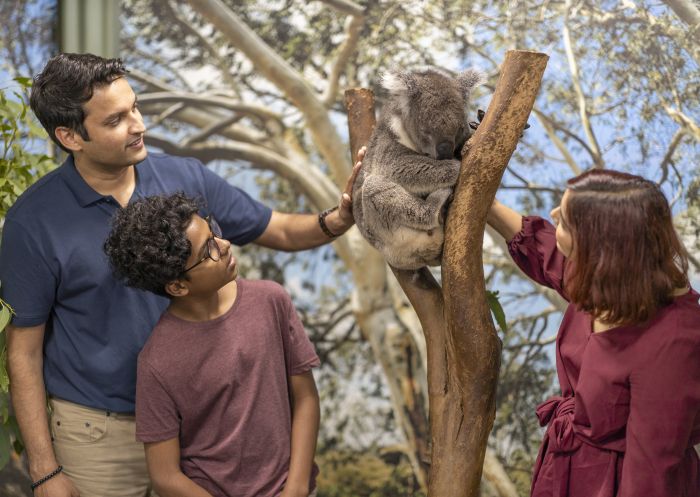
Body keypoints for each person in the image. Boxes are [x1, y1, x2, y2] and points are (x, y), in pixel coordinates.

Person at [0, 53, 359, 497]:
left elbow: (278, 228)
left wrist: (338, 220)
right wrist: (46, 471)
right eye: (116, 120)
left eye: (134, 107)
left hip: (208, 425)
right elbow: (24, 352)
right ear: (70, 136)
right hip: (103, 435)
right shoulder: (32, 223)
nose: (138, 125)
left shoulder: (184, 177)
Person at [487, 169, 700, 497]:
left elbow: (651, 472)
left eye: (565, 221)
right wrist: (488, 205)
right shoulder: (611, 279)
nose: (553, 215)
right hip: (569, 467)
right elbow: (550, 255)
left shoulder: (673, 341)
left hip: (617, 483)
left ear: (601, 248)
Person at [102, 192, 320, 497]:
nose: (225, 244)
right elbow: (165, 476)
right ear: (178, 286)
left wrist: (295, 489)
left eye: (213, 231)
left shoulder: (271, 300)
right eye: (209, 250)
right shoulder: (156, 362)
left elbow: (306, 399)